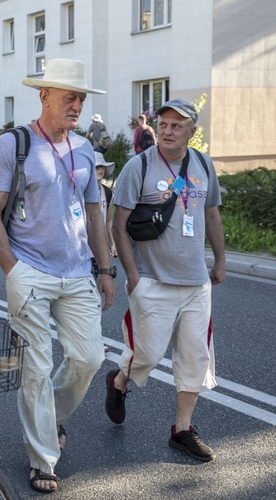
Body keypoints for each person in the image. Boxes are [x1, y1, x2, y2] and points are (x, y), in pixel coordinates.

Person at [0, 58, 116, 494]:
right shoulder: (12, 145)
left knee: (89, 358)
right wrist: (12, 270)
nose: (76, 105)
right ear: (44, 96)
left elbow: (94, 212)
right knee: (36, 367)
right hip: (29, 270)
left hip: (77, 270)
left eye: (80, 98)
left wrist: (106, 268)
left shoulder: (84, 149)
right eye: (69, 96)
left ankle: (47, 415)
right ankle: (43, 459)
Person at [106, 98, 226, 462]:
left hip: (195, 284)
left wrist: (220, 259)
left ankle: (182, 430)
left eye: (177, 125)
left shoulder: (203, 164)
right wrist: (132, 276)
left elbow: (212, 214)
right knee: (145, 356)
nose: (168, 130)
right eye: (164, 124)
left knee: (195, 357)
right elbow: (118, 223)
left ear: (192, 131)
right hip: (152, 281)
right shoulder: (139, 166)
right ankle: (118, 382)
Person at [91, 151, 117, 278]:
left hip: (101, 249)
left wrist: (113, 243)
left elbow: (109, 221)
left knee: (99, 287)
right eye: (96, 167)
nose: (100, 170)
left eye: (101, 167)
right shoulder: (80, 190)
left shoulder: (107, 192)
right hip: (83, 249)